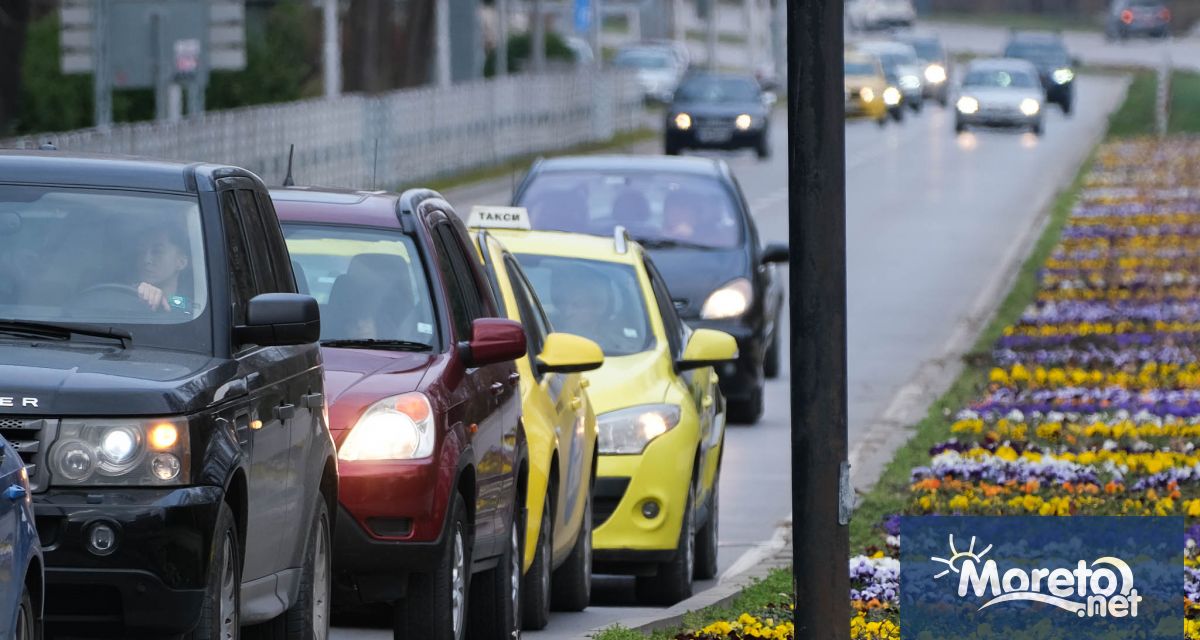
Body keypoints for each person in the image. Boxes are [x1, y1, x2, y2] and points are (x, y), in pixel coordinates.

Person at [132, 222, 191, 312]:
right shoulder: (120, 297)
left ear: (181, 262)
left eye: (157, 251)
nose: (146, 260)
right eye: (141, 251)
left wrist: (164, 301)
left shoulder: (192, 310)